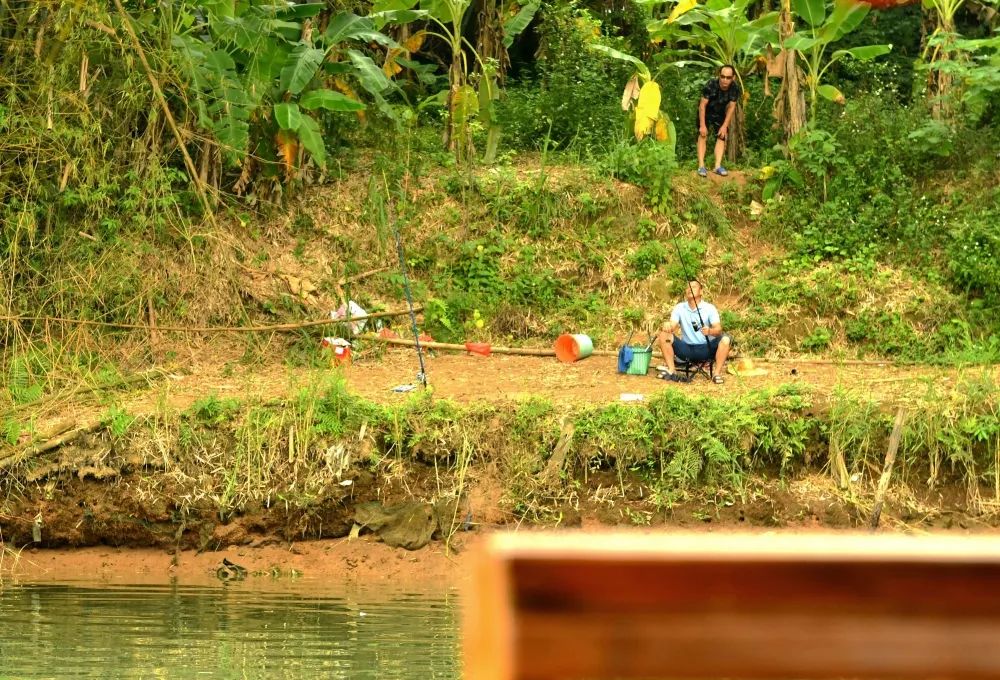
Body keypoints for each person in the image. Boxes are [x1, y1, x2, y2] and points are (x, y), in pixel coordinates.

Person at [656, 280, 731, 384]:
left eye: (694, 286)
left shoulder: (710, 308)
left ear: (701, 292)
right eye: (688, 287)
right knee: (664, 335)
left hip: (706, 349)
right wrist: (668, 325)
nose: (690, 289)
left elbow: (718, 330)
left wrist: (710, 331)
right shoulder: (679, 307)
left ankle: (716, 374)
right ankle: (672, 370)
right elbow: (672, 325)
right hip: (686, 349)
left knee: (726, 339)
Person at [696, 65, 741, 178]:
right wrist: (702, 125)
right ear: (719, 76)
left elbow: (731, 107)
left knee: (722, 135)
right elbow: (702, 105)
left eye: (728, 77)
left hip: (720, 112)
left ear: (733, 78)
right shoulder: (711, 85)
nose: (725, 80)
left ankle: (717, 166)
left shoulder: (734, 88)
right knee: (703, 134)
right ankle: (701, 166)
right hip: (706, 111)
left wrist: (725, 125)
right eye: (722, 76)